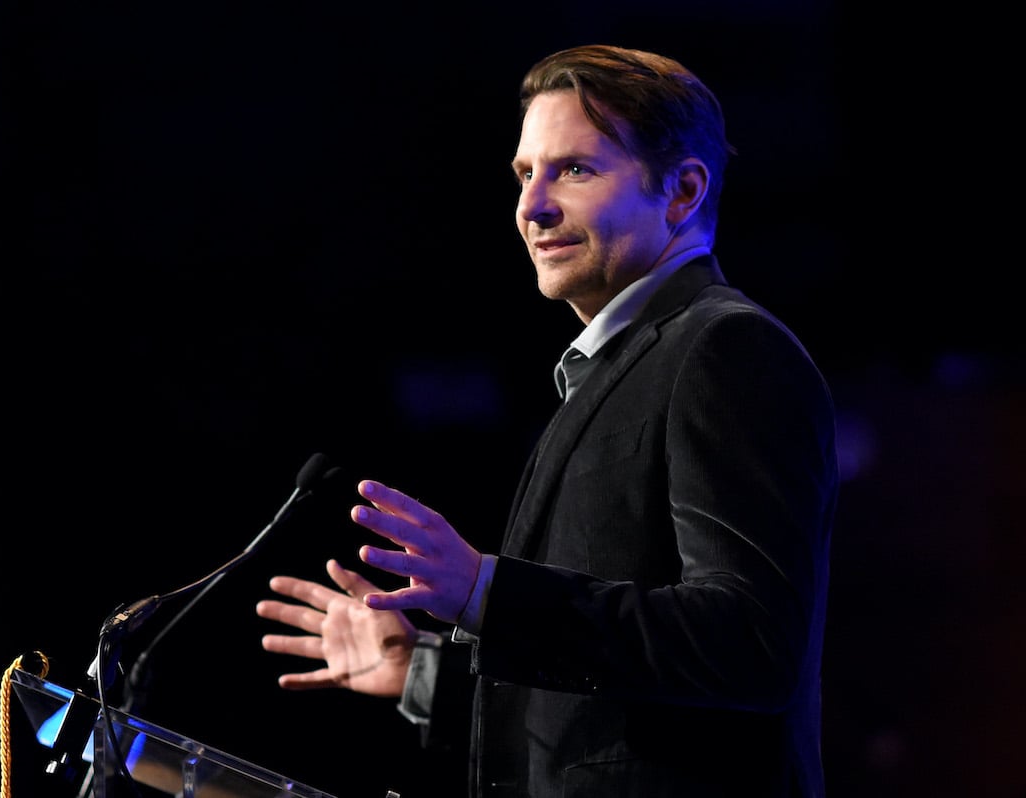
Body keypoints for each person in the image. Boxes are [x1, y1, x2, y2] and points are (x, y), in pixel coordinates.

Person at [255, 43, 837, 798]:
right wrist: (420, 673)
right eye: (526, 174)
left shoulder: (724, 349)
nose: (532, 207)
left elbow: (752, 645)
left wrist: (487, 594)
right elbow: (606, 718)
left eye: (575, 169)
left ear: (684, 191)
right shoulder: (613, 367)